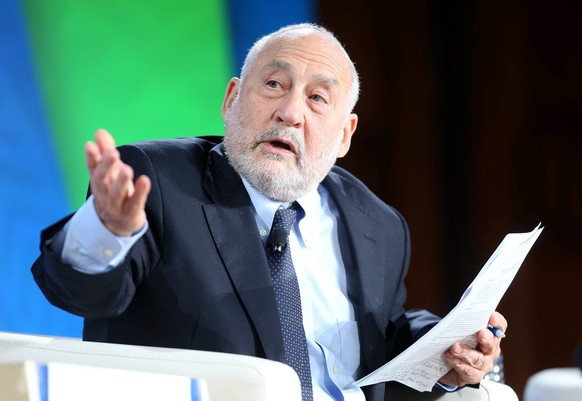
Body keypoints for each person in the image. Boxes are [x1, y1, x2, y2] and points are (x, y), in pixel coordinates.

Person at [32, 23, 506, 401]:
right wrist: (107, 230)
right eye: (275, 84)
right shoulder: (156, 182)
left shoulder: (377, 223)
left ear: (345, 135)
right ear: (231, 100)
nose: (290, 112)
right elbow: (81, 293)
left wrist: (449, 348)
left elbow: (384, 336)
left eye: (318, 98)